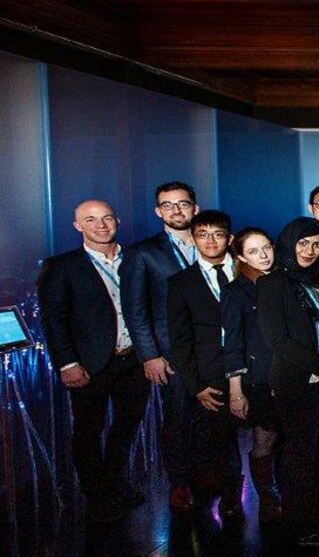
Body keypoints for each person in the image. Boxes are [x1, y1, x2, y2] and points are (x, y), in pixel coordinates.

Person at [37, 199, 150, 523]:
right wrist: (68, 364)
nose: (100, 225)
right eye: (90, 219)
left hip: (134, 360)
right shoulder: (61, 266)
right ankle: (97, 497)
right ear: (77, 226)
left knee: (127, 425)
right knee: (88, 431)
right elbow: (54, 320)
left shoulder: (137, 258)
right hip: (89, 363)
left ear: (117, 221)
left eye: (106, 218)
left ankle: (113, 483)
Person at [257, 218, 319, 548]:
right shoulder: (272, 284)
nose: (309, 251)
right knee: (301, 455)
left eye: (316, 244)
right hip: (298, 382)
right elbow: (278, 340)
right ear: (289, 243)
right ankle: (300, 523)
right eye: (302, 243)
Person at [119, 180, 201, 514]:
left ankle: (207, 473)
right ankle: (179, 482)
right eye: (168, 205)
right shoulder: (142, 253)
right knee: (178, 415)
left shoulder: (213, 241)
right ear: (158, 211)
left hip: (214, 348)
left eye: (183, 204)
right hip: (170, 351)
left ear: (195, 207)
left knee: (211, 415)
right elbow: (135, 310)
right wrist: (149, 355)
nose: (176, 210)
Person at [167, 209, 244, 519]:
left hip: (253, 368)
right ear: (193, 239)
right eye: (203, 234)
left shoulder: (248, 271)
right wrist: (195, 385)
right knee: (219, 438)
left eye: (218, 234)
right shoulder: (180, 283)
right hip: (211, 373)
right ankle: (230, 493)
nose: (211, 241)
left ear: (230, 238)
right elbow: (180, 340)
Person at [222, 226, 282, 526]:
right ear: (242, 257)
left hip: (290, 374)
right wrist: (236, 390)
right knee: (264, 438)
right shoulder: (236, 291)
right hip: (258, 377)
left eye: (266, 247)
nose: (263, 255)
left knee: (288, 438)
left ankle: (287, 492)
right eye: (254, 251)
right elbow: (232, 342)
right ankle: (267, 496)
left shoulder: (285, 281)